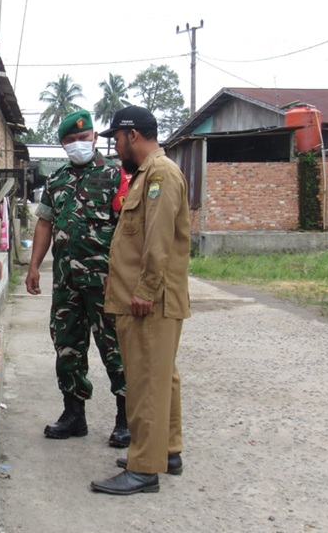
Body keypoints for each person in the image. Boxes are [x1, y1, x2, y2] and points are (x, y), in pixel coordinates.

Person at [90, 105, 191, 495]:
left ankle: (143, 469)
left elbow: (159, 238)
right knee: (162, 376)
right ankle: (166, 451)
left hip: (149, 301)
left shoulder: (159, 175)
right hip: (146, 299)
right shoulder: (147, 175)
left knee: (146, 380)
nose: (115, 147)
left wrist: (146, 290)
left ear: (133, 135)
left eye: (116, 139)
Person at [25, 109, 131, 447]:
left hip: (106, 283)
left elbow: (129, 228)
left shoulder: (116, 176)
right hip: (66, 283)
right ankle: (74, 415)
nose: (77, 145)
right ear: (62, 145)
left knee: (115, 348)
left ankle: (125, 417)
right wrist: (33, 267)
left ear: (95, 138)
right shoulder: (55, 182)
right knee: (68, 346)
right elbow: (44, 223)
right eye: (70, 141)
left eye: (83, 139)